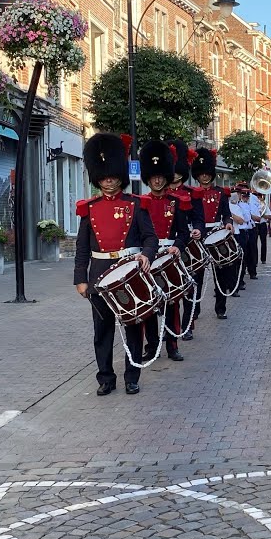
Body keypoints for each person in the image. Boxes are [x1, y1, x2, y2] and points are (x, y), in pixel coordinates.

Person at [74, 133, 158, 396]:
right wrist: (80, 278)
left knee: (132, 325)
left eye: (112, 175)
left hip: (128, 273)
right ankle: (105, 378)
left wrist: (147, 254)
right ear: (97, 177)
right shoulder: (89, 208)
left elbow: (150, 237)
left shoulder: (136, 204)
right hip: (99, 275)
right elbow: (82, 247)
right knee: (102, 330)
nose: (108, 180)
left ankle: (132, 375)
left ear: (119, 175)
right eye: (104, 176)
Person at [139, 140, 196, 363]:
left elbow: (183, 232)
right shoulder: (140, 203)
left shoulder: (177, 202)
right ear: (148, 177)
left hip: (169, 258)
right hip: (148, 259)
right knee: (149, 305)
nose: (158, 180)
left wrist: (177, 246)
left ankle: (172, 346)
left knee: (172, 303)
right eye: (154, 177)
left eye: (161, 176)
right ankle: (152, 346)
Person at [189, 149, 239, 321]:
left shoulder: (220, 193)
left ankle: (220, 308)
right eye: (201, 174)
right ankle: (194, 310)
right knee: (197, 276)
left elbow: (226, 213)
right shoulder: (192, 194)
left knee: (221, 274)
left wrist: (229, 223)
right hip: (198, 237)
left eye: (207, 173)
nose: (204, 177)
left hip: (217, 235)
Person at [167, 140, 204, 342]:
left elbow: (198, 218)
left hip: (188, 246)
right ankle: (170, 328)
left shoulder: (192, 194)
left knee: (189, 287)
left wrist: (198, 229)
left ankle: (188, 324)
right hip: (166, 247)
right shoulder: (160, 194)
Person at [233, 185, 259, 282]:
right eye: (243, 196)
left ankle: (250, 273)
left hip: (247, 230)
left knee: (249, 253)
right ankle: (239, 279)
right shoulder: (235, 204)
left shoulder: (248, 205)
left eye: (246, 196)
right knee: (240, 256)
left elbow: (253, 218)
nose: (245, 198)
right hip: (238, 232)